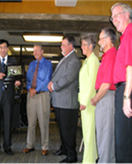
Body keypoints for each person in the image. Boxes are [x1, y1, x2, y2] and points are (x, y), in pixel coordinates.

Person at [110, 2, 132, 163]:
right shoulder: (126, 36)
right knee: (126, 142)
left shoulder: (131, 33)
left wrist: (126, 96)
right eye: (112, 16)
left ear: (127, 14)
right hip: (128, 89)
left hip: (129, 89)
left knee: (127, 144)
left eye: (117, 15)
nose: (113, 19)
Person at [48, 35, 81, 163]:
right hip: (59, 101)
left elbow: (68, 78)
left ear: (70, 46)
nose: (61, 47)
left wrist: (54, 86)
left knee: (68, 130)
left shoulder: (74, 60)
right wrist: (51, 83)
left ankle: (72, 156)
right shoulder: (65, 58)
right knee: (62, 128)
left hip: (68, 102)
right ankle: (64, 149)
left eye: (63, 45)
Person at [91, 27, 117, 163]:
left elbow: (106, 84)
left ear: (107, 40)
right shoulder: (108, 55)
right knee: (106, 136)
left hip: (105, 98)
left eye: (100, 39)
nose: (99, 42)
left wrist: (95, 99)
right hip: (106, 98)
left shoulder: (111, 56)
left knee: (104, 136)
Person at [22, 44, 52, 156]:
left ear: (42, 51)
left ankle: (45, 146)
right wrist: (29, 88)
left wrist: (36, 89)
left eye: (37, 51)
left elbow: (47, 79)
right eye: (33, 51)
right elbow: (28, 79)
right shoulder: (31, 64)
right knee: (31, 122)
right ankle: (30, 145)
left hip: (42, 95)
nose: (35, 53)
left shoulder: (48, 64)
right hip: (31, 96)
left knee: (43, 122)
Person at [78, 34, 99, 163]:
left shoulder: (93, 60)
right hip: (85, 101)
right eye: (82, 44)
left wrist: (84, 102)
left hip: (89, 102)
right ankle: (93, 157)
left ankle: (88, 161)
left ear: (91, 46)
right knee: (87, 133)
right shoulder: (87, 60)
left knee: (89, 133)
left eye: (84, 44)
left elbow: (92, 82)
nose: (82, 47)